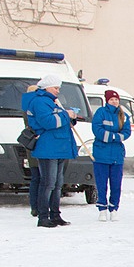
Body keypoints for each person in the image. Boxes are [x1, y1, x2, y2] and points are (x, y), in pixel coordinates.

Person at [26, 74, 79, 228]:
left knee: (57, 184)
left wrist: (71, 117)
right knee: (48, 183)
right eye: (56, 88)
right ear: (47, 87)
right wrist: (65, 115)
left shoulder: (53, 102)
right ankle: (43, 216)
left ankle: (55, 215)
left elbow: (60, 120)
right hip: (48, 148)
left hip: (59, 147)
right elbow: (48, 122)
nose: (58, 91)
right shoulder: (39, 101)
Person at [90, 89, 131, 221]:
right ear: (107, 101)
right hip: (101, 153)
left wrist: (116, 137)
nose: (114, 101)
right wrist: (113, 137)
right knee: (101, 183)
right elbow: (97, 129)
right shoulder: (101, 112)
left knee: (116, 184)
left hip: (116, 155)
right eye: (112, 99)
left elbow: (127, 132)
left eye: (116, 99)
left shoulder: (123, 115)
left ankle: (114, 208)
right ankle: (102, 208)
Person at [21, 84, 43, 219]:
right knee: (41, 178)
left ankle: (35, 207)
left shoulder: (26, 105)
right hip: (38, 144)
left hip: (32, 145)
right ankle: (38, 206)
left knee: (36, 178)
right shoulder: (34, 106)